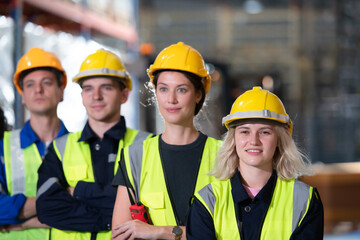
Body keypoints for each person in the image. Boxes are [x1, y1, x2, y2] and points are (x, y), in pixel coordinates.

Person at [36, 49, 153, 240]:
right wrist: (117, 218)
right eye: (88, 88)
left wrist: (78, 191)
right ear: (82, 96)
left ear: (124, 95)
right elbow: (47, 208)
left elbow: (149, 206)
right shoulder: (60, 147)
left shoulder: (148, 146)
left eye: (106, 87)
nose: (96, 96)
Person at [111, 41, 222, 240]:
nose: (171, 99)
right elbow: (120, 234)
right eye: (163, 89)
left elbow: (234, 232)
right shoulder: (135, 156)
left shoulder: (224, 155)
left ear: (198, 94)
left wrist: (160, 232)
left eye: (181, 90)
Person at [186, 86, 324, 240]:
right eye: (245, 131)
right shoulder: (207, 200)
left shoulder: (304, 200)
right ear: (234, 139)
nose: (253, 141)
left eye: (264, 132)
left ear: (279, 140)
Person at [0, 47, 68, 239]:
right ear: (23, 96)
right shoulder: (2, 146)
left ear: (61, 90)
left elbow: (93, 204)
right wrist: (61, 200)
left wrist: (20, 222)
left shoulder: (82, 147)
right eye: (30, 85)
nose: (38, 90)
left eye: (46, 83)